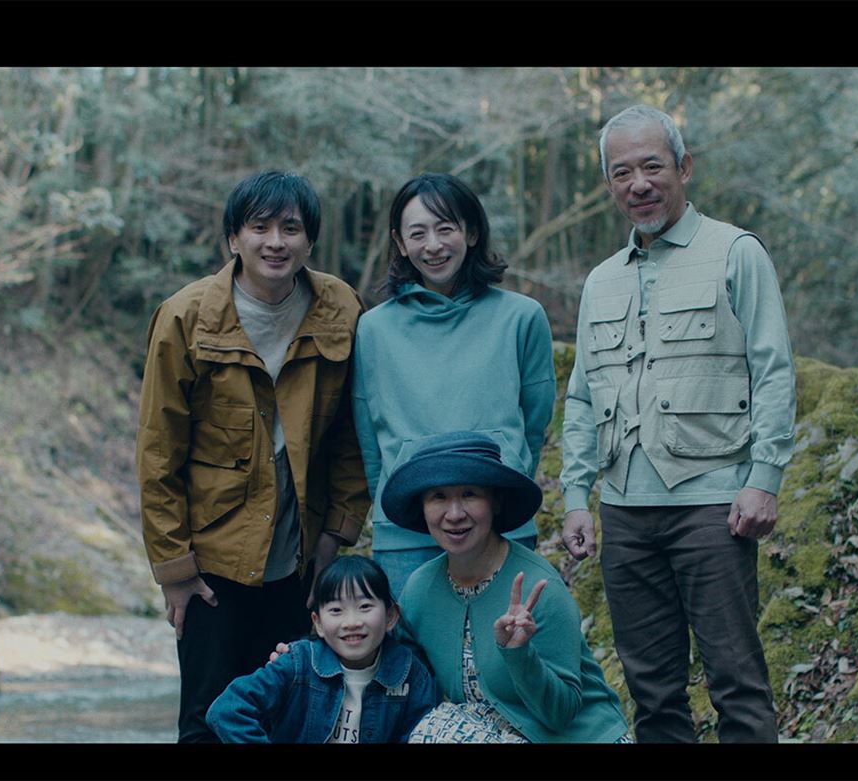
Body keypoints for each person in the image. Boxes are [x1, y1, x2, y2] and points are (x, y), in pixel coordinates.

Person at [560, 105, 796, 743]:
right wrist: (576, 496)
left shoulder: (736, 252)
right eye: (622, 173)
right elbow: (582, 396)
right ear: (609, 185)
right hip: (625, 512)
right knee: (652, 692)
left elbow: (773, 370)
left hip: (713, 505)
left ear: (684, 168)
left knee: (736, 682)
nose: (638, 184)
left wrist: (764, 478)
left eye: (652, 166)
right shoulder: (600, 281)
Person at [136, 170, 370, 742]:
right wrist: (175, 573)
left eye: (290, 228)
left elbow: (351, 436)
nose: (275, 242)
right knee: (208, 721)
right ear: (233, 239)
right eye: (259, 227)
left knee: (292, 717)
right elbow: (158, 452)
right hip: (212, 563)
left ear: (309, 241)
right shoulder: (185, 317)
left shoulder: (340, 308)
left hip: (300, 563)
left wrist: (333, 539)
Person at [352, 173, 556, 597]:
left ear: (472, 232)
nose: (433, 245)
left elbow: (534, 422)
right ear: (400, 242)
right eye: (418, 233)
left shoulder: (521, 317)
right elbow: (369, 436)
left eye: (445, 229)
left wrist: (506, 481)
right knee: (413, 642)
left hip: (501, 522)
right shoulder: (373, 329)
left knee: (506, 636)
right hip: (405, 533)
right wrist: (393, 504)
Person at [384, 431, 632, 744]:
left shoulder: (539, 587)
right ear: (422, 507)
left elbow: (561, 714)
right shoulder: (420, 589)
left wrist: (519, 654)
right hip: (483, 730)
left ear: (495, 502)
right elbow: (405, 675)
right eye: (439, 497)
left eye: (470, 494)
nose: (455, 514)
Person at [205, 555, 438, 743]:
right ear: (318, 623)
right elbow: (228, 710)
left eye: (365, 606)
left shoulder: (410, 674)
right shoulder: (297, 663)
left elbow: (420, 734)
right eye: (336, 610)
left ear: (390, 616)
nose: (351, 622)